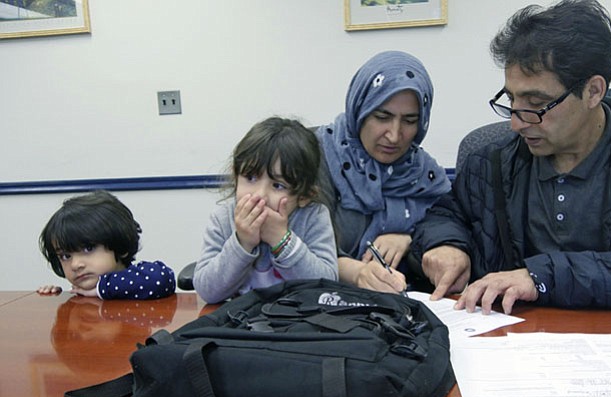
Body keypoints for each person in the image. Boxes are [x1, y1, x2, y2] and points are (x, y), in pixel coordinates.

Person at [412, 0, 611, 313]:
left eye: (536, 102)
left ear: (593, 92)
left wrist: (541, 277)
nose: (516, 122)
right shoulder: (493, 162)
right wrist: (447, 245)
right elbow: (448, 214)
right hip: (516, 344)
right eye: (511, 98)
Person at [316, 50, 451, 295]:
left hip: (401, 309)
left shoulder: (425, 174)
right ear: (360, 109)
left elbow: (450, 227)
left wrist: (409, 240)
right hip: (319, 305)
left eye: (410, 121)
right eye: (382, 117)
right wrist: (357, 273)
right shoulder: (316, 156)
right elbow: (295, 248)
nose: (394, 135)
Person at [193, 116, 338, 304]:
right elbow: (207, 291)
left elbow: (326, 288)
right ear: (236, 176)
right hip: (240, 324)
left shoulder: (313, 216)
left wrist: (282, 240)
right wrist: (242, 243)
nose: (260, 195)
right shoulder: (224, 218)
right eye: (251, 178)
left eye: (278, 185)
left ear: (305, 196)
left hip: (297, 324)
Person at [38, 190, 176, 299]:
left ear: (120, 244)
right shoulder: (82, 291)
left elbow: (162, 279)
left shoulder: (142, 280)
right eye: (65, 256)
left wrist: (103, 289)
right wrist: (54, 295)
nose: (75, 265)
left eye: (88, 248)